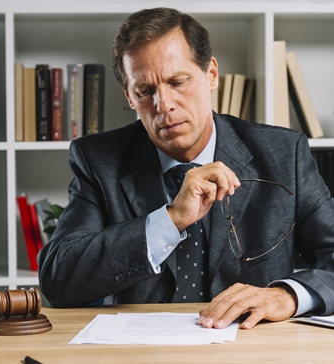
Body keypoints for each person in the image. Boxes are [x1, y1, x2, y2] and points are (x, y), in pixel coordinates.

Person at [38, 7, 334, 330]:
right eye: (145, 91)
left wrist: (286, 296)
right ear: (130, 97)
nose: (163, 105)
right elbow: (58, 277)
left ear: (211, 75)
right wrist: (169, 220)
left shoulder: (283, 154)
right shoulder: (98, 160)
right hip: (143, 354)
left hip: (253, 351)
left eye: (177, 82)